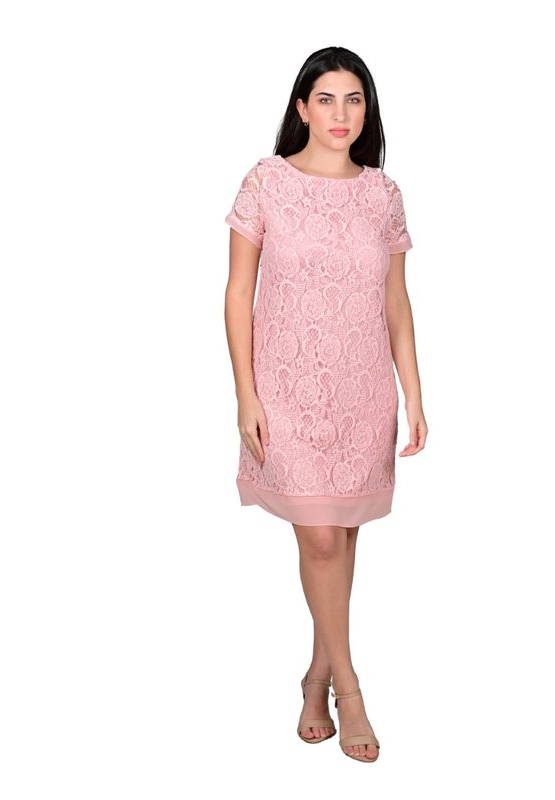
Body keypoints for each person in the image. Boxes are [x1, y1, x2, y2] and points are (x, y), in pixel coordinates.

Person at [223, 46, 427, 763]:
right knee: (318, 539)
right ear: (302, 108)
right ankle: (350, 688)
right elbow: (238, 294)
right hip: (286, 390)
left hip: (362, 391)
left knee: (339, 539)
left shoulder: (383, 194)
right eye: (327, 99)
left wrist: (414, 392)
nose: (342, 114)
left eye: (355, 99)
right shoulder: (267, 182)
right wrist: (245, 392)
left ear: (367, 111)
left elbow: (396, 301)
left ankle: (314, 677)